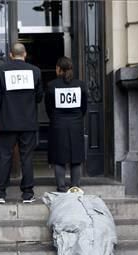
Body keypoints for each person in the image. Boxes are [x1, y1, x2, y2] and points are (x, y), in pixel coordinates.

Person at [0, 43, 43, 203]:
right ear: (25, 54)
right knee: (26, 157)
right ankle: (28, 193)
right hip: (28, 122)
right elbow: (39, 96)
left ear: (10, 55)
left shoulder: (1, 71)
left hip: (7, 122)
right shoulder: (35, 71)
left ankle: (0, 193)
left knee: (5, 156)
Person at [44, 56, 88, 192]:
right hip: (76, 124)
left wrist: (56, 117)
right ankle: (75, 186)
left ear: (58, 69)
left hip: (58, 124)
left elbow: (48, 108)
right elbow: (84, 107)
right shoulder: (80, 85)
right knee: (76, 157)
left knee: (59, 157)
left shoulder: (51, 86)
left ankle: (61, 187)